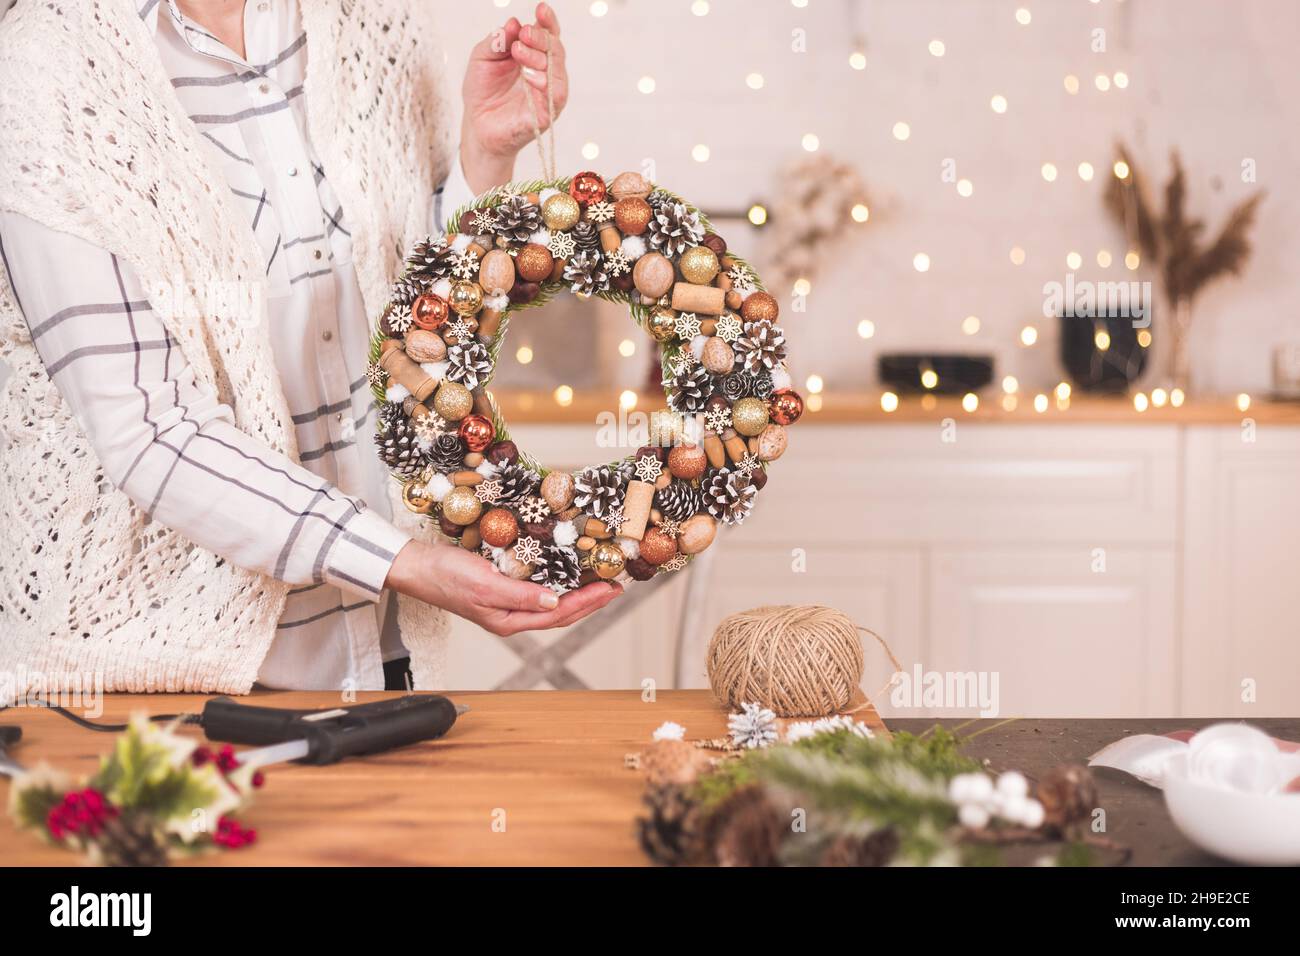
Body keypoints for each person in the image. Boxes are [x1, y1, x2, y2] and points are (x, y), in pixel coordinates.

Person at [0, 0, 621, 695]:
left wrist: (484, 157)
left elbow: (415, 315)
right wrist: (402, 560)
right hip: (144, 680)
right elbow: (149, 429)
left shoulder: (376, 20)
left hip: (385, 646)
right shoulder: (44, 66)